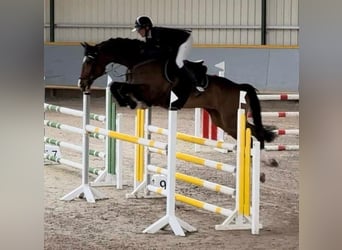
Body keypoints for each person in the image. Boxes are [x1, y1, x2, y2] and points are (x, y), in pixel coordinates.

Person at [132, 15, 206, 92]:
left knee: (178, 62)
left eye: (139, 29)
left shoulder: (155, 33)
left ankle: (196, 84)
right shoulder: (149, 36)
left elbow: (161, 51)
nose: (138, 31)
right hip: (175, 44)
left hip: (185, 40)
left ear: (146, 27)